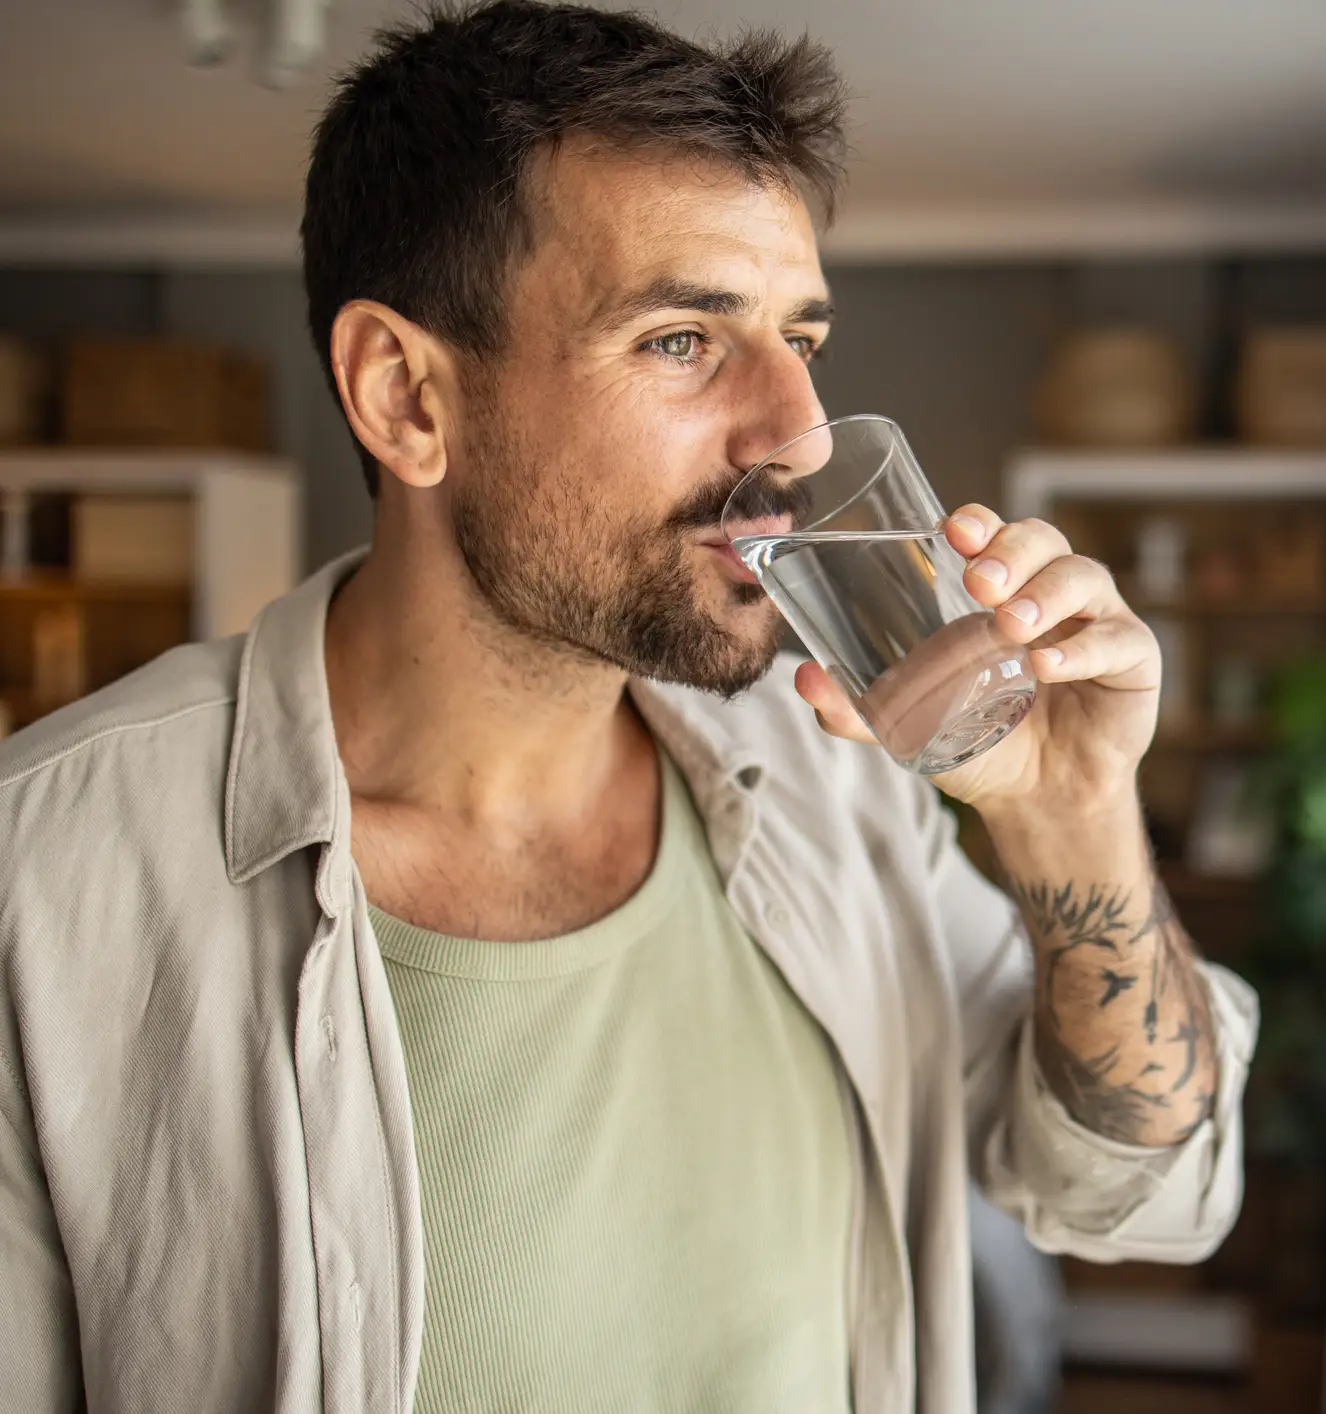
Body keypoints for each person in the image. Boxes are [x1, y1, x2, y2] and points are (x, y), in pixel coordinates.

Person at [0, 4, 1256, 1411]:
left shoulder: (835, 787)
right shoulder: (46, 882)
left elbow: (1146, 1194)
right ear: (406, 397)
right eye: (679, 339)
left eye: (800, 336)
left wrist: (1074, 816)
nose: (796, 435)